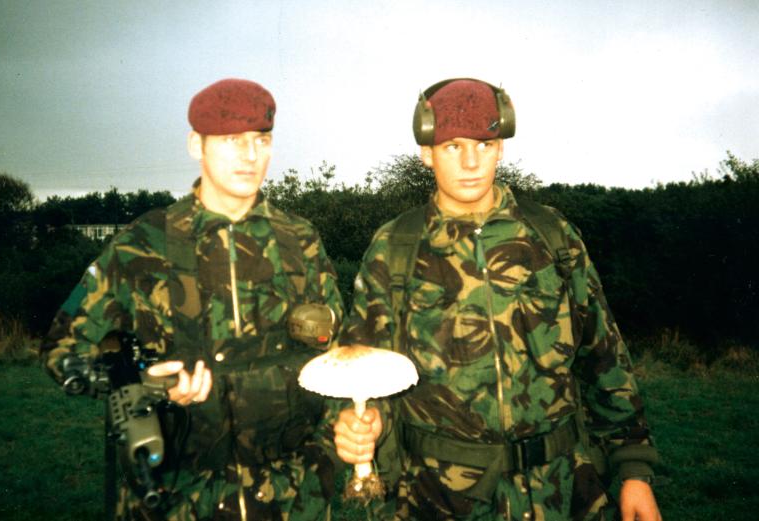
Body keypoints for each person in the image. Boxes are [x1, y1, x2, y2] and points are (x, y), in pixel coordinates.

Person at [332, 78, 661, 521]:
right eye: (453, 147)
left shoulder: (552, 236)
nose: (471, 161)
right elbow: (360, 369)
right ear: (427, 153)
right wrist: (357, 425)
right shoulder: (395, 247)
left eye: (485, 145)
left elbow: (603, 357)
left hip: (563, 491)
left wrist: (634, 469)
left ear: (501, 148)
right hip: (440, 496)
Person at [41, 78, 344, 520]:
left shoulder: (301, 241)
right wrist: (143, 380)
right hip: (179, 500)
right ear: (195, 145)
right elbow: (61, 353)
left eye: (262, 139)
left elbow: (335, 358)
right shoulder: (142, 246)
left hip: (292, 498)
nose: (250, 155)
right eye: (231, 140)